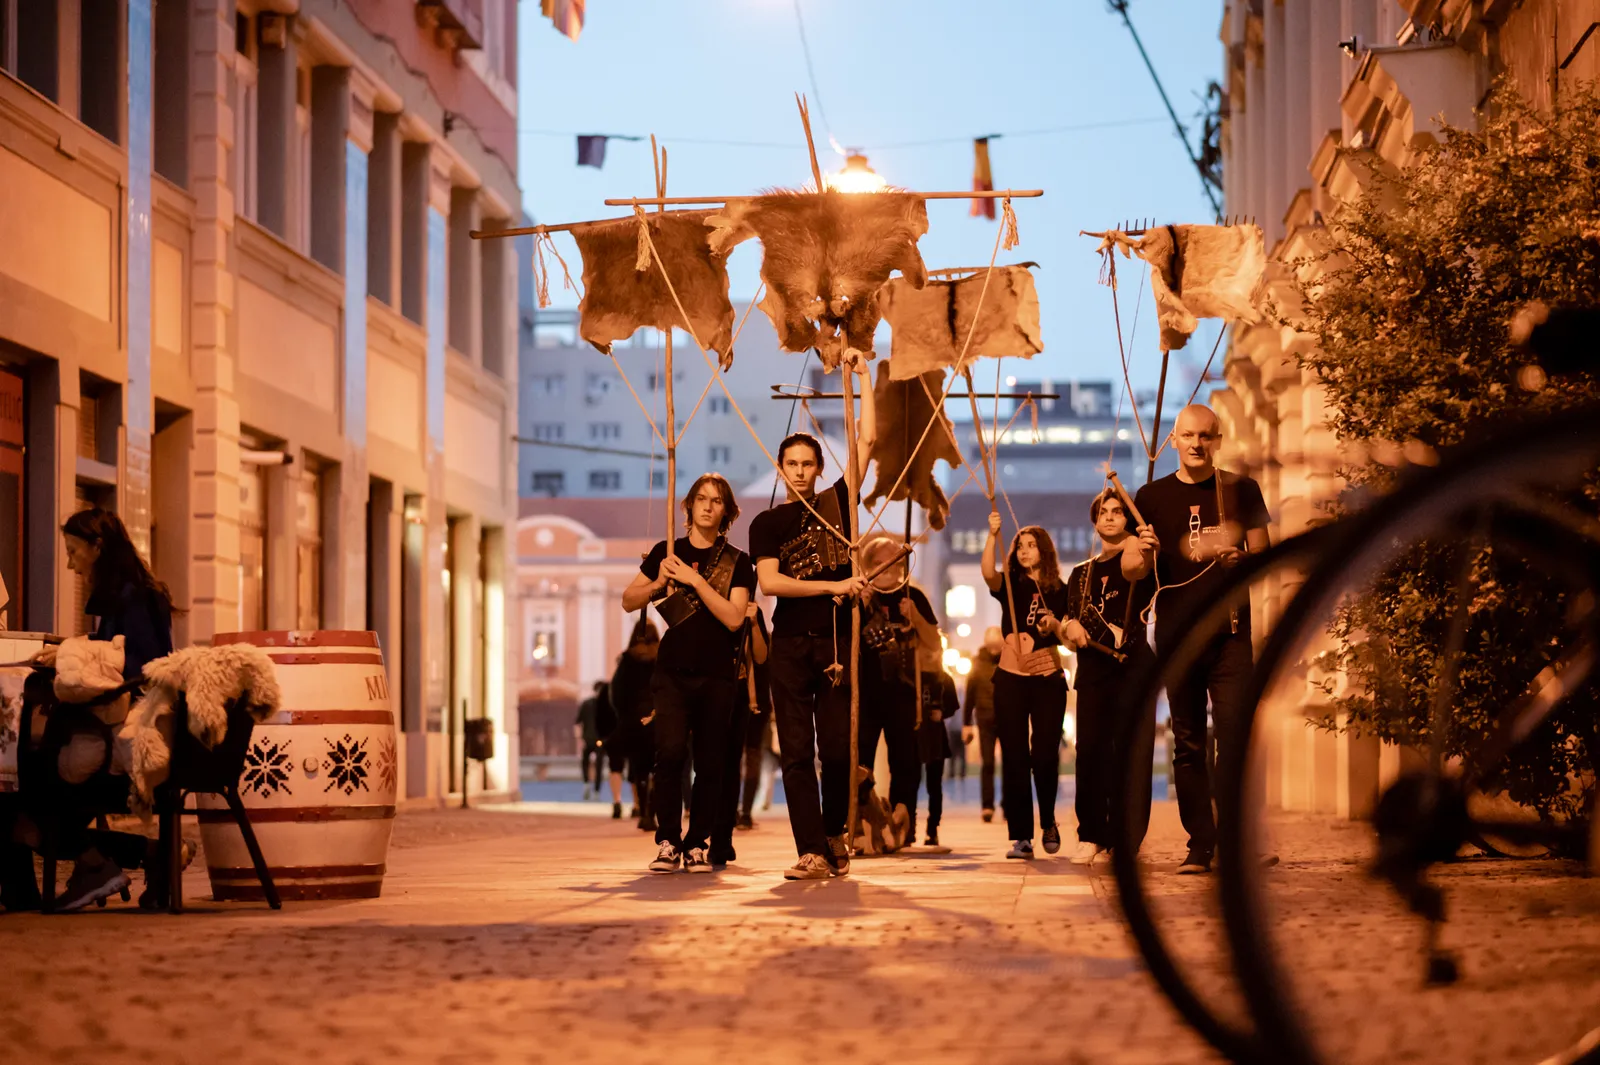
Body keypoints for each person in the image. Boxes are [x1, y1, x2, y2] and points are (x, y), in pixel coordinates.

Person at [9, 509, 179, 911]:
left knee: (30, 784)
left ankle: (94, 864)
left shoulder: (134, 598)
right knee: (25, 793)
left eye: (73, 551)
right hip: (119, 728)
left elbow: (136, 667)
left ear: (97, 547)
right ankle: (150, 856)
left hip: (123, 737)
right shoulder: (131, 594)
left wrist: (74, 657)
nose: (70, 564)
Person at [748, 354, 875, 881]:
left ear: (820, 469)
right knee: (796, 752)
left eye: (808, 464)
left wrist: (863, 375)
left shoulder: (838, 504)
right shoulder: (766, 522)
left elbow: (868, 440)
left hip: (836, 644)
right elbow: (771, 583)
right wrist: (834, 585)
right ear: (781, 468)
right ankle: (812, 850)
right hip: (789, 646)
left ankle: (835, 830)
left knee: (839, 750)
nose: (800, 471)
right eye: (792, 464)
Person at [1130, 404, 1271, 874]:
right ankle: (1201, 844)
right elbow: (1133, 571)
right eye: (1188, 435)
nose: (1196, 444)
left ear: (1218, 440)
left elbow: (1264, 556)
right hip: (1178, 636)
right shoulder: (1149, 497)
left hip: (1230, 631)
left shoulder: (1241, 489)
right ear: (1173, 440)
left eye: (1205, 436)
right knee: (1188, 743)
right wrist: (1142, 553)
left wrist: (1241, 561)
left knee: (1235, 736)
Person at [621, 472, 754, 874]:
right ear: (689, 506)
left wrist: (695, 580)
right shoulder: (668, 551)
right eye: (701, 499)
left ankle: (697, 843)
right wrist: (660, 581)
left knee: (711, 763)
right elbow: (629, 599)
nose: (708, 506)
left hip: (718, 673)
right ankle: (668, 841)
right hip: (672, 672)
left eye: (717, 500)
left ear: (727, 511)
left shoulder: (739, 562)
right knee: (670, 753)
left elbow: (734, 618)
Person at [1062, 488, 1156, 866]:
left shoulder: (1142, 558)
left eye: (1118, 511)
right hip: (1093, 672)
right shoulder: (1080, 573)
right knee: (1090, 753)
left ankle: (1124, 838)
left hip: (1133, 668)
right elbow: (1069, 622)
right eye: (1103, 512)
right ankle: (1091, 835)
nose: (1110, 516)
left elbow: (1139, 570)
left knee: (1129, 754)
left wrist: (1140, 541)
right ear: (1094, 522)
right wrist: (1068, 628)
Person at [981, 511, 1071, 860]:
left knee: (1044, 755)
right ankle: (1021, 836)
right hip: (1010, 680)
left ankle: (1048, 820)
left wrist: (1054, 626)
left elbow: (1067, 633)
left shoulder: (1060, 590)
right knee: (1014, 756)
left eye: (1031, 545)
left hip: (1047, 679)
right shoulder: (1010, 585)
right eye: (1020, 545)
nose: (1024, 551)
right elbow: (988, 573)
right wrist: (993, 535)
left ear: (1044, 551)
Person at [855, 541, 939, 851]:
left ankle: (905, 823)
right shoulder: (860, 596)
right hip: (865, 693)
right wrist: (859, 608)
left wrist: (914, 616)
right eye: (880, 561)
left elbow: (933, 643)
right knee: (860, 760)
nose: (887, 567)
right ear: (868, 564)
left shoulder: (913, 596)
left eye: (893, 561)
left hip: (903, 692)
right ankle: (862, 821)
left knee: (905, 761)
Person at [710, 601, 768, 867]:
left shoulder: (751, 609)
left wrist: (753, 623)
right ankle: (706, 832)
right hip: (709, 689)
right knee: (712, 763)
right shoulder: (703, 598)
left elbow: (762, 656)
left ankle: (724, 834)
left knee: (733, 763)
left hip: (743, 695)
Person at [607, 621, 660, 832]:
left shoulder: (627, 660)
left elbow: (617, 693)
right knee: (659, 769)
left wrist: (625, 715)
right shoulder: (662, 657)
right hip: (658, 719)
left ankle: (643, 812)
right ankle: (654, 813)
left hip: (633, 722)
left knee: (640, 769)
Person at [735, 605, 774, 832]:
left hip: (756, 705)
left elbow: (762, 659)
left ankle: (745, 812)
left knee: (750, 756)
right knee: (738, 757)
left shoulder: (757, 630)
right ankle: (735, 812)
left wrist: (754, 624)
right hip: (739, 701)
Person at [915, 656, 961, 847]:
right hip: (915, 734)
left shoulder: (944, 678)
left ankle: (932, 828)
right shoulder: (913, 675)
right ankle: (908, 827)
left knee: (934, 785)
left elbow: (952, 705)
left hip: (935, 735)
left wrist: (942, 712)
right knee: (911, 781)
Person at [961, 626, 1004, 823]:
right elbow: (969, 695)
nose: (994, 649)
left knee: (1010, 763)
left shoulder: (1009, 660)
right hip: (985, 720)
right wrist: (966, 724)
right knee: (987, 763)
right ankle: (987, 806)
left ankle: (1008, 805)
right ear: (986, 644)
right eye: (992, 645)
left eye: (998, 645)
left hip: (1007, 718)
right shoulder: (977, 664)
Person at [575, 681, 612, 800]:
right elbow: (578, 722)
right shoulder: (603, 705)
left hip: (594, 740)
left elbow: (577, 723)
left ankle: (591, 787)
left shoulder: (589, 704)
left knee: (592, 764)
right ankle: (591, 787)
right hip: (595, 740)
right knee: (594, 764)